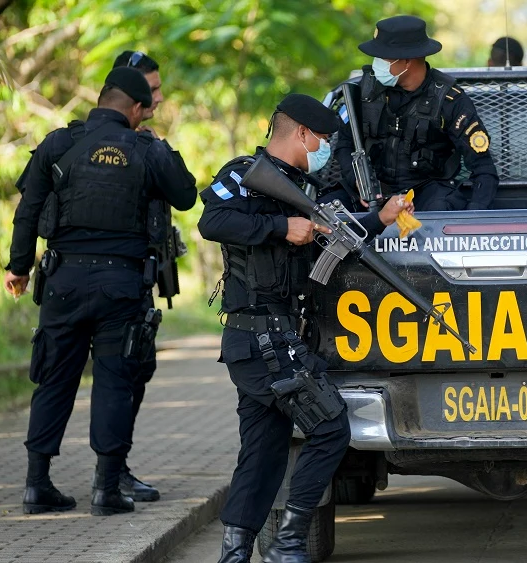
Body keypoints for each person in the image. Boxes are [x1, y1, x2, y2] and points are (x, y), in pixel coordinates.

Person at [198, 93, 413, 563]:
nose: (322, 148)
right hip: (260, 336)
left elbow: (334, 240)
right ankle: (289, 542)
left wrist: (379, 218)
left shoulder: (306, 189)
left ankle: (234, 554)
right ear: (300, 133)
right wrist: (281, 228)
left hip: (272, 337)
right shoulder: (241, 174)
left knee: (264, 453)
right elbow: (211, 221)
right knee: (331, 427)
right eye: (320, 138)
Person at [4, 67, 197, 516]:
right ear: (134, 108)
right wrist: (159, 144)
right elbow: (186, 195)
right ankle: (107, 489)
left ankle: (37, 485)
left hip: (63, 283)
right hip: (121, 287)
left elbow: (27, 211)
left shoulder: (59, 143)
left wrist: (19, 268)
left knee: (53, 378)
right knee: (114, 380)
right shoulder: (147, 149)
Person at [334, 15, 499, 211]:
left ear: (406, 61)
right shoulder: (364, 92)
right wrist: (358, 182)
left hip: (424, 196)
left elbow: (483, 167)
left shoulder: (449, 100)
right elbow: (344, 144)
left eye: (382, 57)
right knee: (326, 210)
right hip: (371, 194)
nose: (376, 63)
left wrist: (472, 221)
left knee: (443, 208)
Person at [102, 49, 168, 503]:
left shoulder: (146, 140)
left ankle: (116, 468)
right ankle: (111, 474)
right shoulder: (101, 144)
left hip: (138, 275)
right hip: (113, 280)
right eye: (152, 90)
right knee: (119, 375)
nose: (159, 99)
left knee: (136, 372)